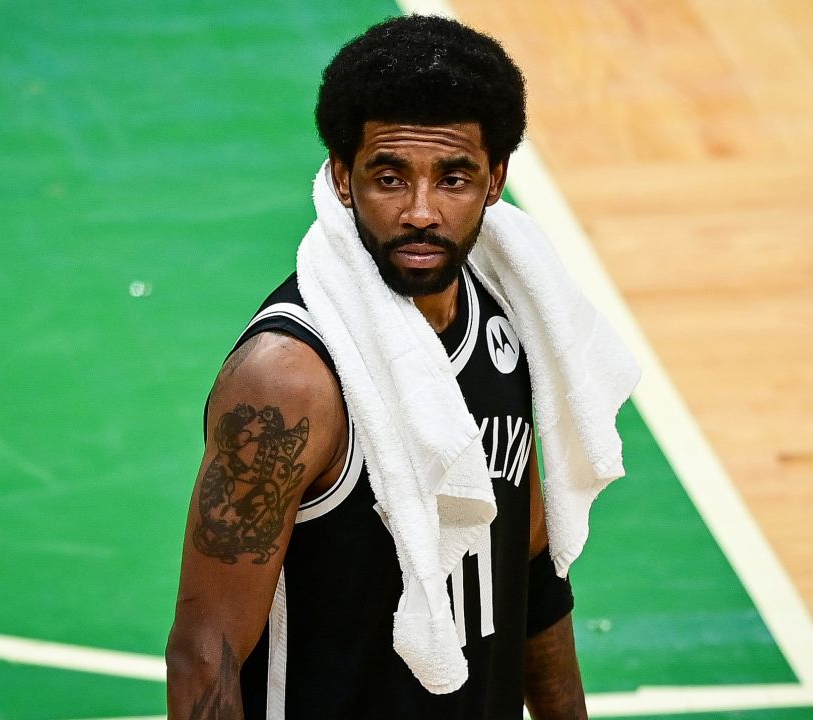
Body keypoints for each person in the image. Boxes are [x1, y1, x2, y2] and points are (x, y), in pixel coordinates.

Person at [167, 15, 607, 719]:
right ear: (344, 178)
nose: (421, 211)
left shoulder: (512, 317)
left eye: (454, 177)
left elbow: (529, 568)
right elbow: (204, 651)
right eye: (390, 177)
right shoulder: (290, 380)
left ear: (496, 180)